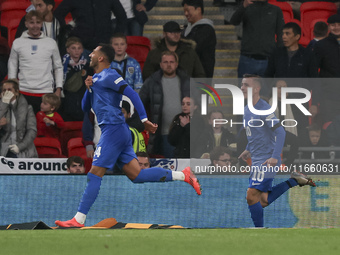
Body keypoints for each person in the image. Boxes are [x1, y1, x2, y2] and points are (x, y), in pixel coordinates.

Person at [55, 44, 201, 228]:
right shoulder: (97, 79)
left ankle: (78, 219)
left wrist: (144, 119)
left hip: (114, 130)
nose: (90, 54)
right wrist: (88, 88)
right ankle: (183, 175)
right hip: (116, 131)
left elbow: (131, 93)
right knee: (137, 175)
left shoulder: (110, 75)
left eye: (94, 52)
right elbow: (85, 108)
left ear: (101, 58)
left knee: (94, 174)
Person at [238, 74, 316, 228]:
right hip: (257, 158)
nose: (242, 87)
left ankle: (259, 230)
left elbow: (280, 132)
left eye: (246, 85)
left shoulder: (264, 109)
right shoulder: (247, 109)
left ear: (257, 88)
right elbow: (255, 133)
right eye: (242, 84)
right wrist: (248, 149)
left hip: (266, 159)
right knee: (263, 200)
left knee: (251, 195)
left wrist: (274, 157)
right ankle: (294, 180)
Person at [8, 10, 63, 115]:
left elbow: (58, 67)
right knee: (22, 127)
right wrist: (12, 87)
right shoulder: (18, 43)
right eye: (32, 22)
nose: (35, 26)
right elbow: (12, 65)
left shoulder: (51, 43)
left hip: (46, 93)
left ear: (42, 23)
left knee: (45, 128)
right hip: (23, 91)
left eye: (38, 22)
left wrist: (59, 89)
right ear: (26, 24)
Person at [139, 51, 190, 157]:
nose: (169, 64)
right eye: (165, 62)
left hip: (185, 132)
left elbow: (197, 103)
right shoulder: (152, 81)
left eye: (171, 62)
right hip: (163, 133)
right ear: (161, 64)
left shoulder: (186, 81)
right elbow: (140, 103)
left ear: (176, 64)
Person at [230, 0, 284, 79]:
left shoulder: (276, 10)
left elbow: (281, 35)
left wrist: (280, 58)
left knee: (267, 91)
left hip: (268, 60)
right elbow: (234, 21)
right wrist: (243, 6)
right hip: (247, 58)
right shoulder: (247, 7)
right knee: (244, 90)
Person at [54, 0, 127, 51]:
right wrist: (66, 30)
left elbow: (122, 16)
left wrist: (117, 36)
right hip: (81, 46)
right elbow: (58, 14)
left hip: (104, 44)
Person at [0, 79, 38, 158]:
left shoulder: (28, 108)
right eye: (4, 90)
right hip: (3, 149)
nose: (6, 92)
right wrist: (4, 104)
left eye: (9, 90)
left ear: (16, 92)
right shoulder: (1, 106)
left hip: (23, 149)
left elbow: (32, 130)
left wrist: (20, 146)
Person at [314, 14, 340, 124]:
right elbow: (314, 73)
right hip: (329, 95)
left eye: (339, 25)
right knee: (328, 127)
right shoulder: (321, 45)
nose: (336, 27)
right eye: (333, 25)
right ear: (328, 27)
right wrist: (315, 101)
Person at [181, 0, 216, 78]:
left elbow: (194, 49)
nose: (186, 14)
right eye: (184, 11)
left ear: (198, 10)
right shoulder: (186, 29)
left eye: (188, 10)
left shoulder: (206, 29)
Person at [60, 36, 91, 121]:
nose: (77, 51)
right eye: (73, 48)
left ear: (82, 50)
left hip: (81, 100)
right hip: (67, 101)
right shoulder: (62, 65)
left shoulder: (87, 65)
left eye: (79, 48)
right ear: (68, 50)